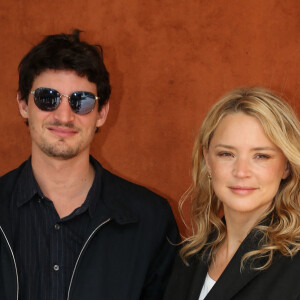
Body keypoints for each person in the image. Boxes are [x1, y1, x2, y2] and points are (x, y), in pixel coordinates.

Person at [0, 30, 178, 300]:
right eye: (47, 98)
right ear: (23, 104)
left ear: (101, 113)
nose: (64, 115)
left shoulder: (151, 219)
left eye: (80, 101)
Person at [163, 87, 300, 300]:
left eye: (261, 156)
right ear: (208, 160)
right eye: (226, 154)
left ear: (286, 166)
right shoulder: (190, 256)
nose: (241, 172)